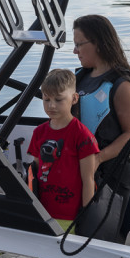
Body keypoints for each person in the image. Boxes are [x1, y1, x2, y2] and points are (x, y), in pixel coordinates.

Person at [71, 15, 130, 238]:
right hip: (85, 169)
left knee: (101, 238)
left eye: (79, 45)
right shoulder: (78, 77)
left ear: (98, 42)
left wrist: (97, 159)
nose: (75, 51)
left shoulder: (121, 84)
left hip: (112, 173)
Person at [27, 69, 99, 231]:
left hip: (70, 217)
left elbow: (88, 179)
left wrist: (86, 217)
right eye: (46, 99)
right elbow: (35, 172)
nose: (51, 105)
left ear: (74, 99)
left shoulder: (82, 135)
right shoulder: (39, 132)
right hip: (42, 213)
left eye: (59, 100)